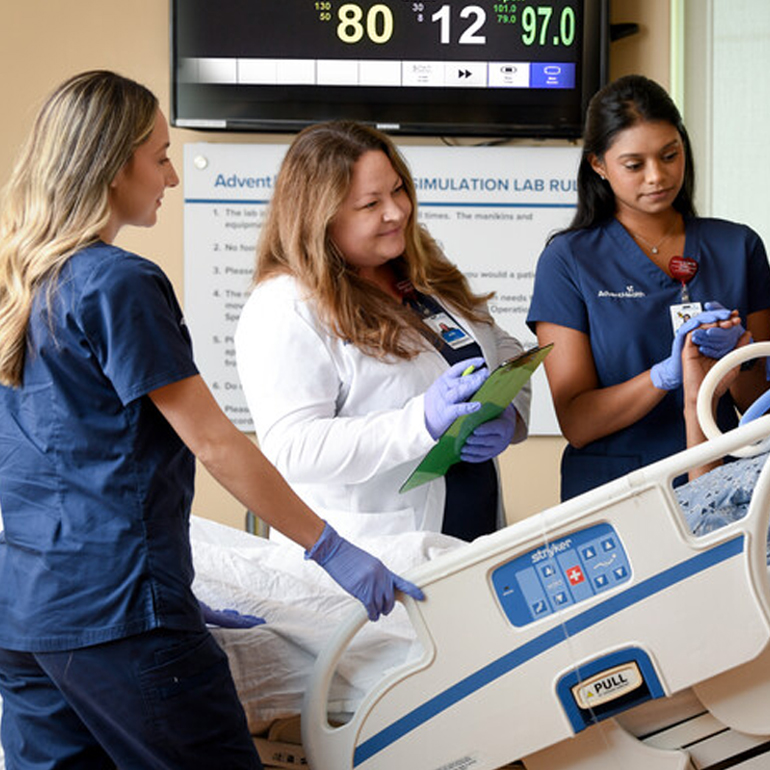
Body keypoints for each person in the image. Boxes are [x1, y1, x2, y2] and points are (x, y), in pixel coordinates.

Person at [0, 71, 423, 770]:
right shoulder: (118, 282)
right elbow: (215, 443)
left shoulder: (23, 280)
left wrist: (168, 586)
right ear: (113, 167)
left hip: (27, 616)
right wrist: (332, 551)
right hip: (120, 615)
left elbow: (38, 461)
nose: (170, 175)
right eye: (160, 156)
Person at [235, 120, 530, 544]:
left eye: (397, 190)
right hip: (376, 552)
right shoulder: (285, 305)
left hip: (472, 532)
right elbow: (294, 449)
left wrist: (509, 414)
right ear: (320, 217)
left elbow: (498, 345)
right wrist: (419, 422)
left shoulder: (416, 262)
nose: (396, 211)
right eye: (370, 204)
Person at [526, 74, 770, 501]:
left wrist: (738, 363)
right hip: (616, 495)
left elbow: (760, 407)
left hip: (729, 486)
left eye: (669, 155)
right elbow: (578, 423)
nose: (657, 176)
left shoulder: (738, 247)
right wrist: (664, 376)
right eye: (634, 165)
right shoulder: (569, 261)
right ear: (598, 165)